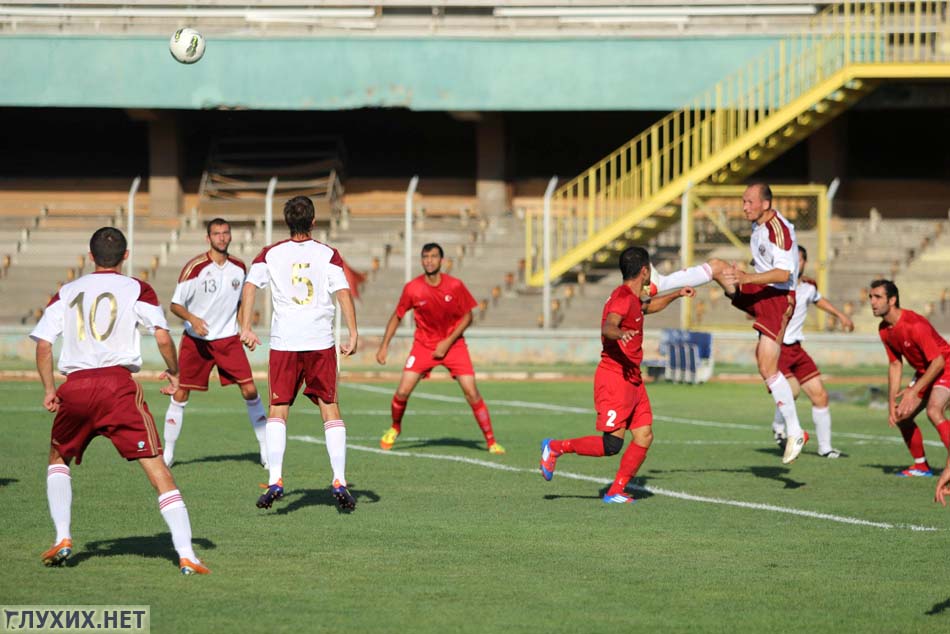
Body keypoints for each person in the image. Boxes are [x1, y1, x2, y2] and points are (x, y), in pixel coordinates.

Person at [30, 227, 209, 575]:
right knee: (157, 468)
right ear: (126, 256)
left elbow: (44, 344)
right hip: (117, 387)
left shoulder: (67, 291)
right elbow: (161, 336)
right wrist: (174, 372)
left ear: (90, 256)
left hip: (76, 387)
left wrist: (50, 389)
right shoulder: (138, 288)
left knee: (58, 457)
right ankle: (187, 554)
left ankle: (63, 536)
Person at [539, 246, 693, 504]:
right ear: (644, 271)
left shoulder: (633, 298)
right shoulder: (622, 298)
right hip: (614, 377)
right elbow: (608, 325)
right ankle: (554, 447)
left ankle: (615, 491)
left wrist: (677, 294)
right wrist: (620, 333)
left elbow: (647, 307)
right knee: (611, 445)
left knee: (644, 435)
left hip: (633, 378)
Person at [239, 196, 359, 510]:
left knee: (278, 409)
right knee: (330, 408)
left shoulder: (270, 253)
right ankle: (339, 479)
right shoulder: (328, 253)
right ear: (314, 221)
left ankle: (275, 479)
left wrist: (246, 327)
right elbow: (343, 293)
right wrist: (353, 332)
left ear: (286, 222)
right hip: (320, 340)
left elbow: (249, 287)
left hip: (285, 342)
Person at [375, 243, 505, 454]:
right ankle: (395, 427)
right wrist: (384, 346)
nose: (429, 260)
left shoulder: (455, 286)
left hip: (454, 346)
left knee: (472, 392)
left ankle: (491, 442)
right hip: (423, 346)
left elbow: (468, 316)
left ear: (441, 260)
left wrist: (447, 342)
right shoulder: (413, 288)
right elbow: (397, 316)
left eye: (434, 256)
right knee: (402, 391)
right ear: (421, 260)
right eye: (425, 256)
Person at [161, 218, 267, 468]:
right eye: (217, 233)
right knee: (181, 393)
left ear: (230, 236)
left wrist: (245, 330)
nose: (222, 237)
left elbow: (241, 304)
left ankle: (266, 451)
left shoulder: (239, 268)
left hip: (228, 340)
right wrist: (193, 319)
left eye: (225, 233)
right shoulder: (195, 268)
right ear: (208, 238)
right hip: (196, 342)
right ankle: (168, 454)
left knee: (250, 390)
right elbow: (175, 305)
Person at [720, 183, 807, 464]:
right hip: (763, 292)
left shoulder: (777, 229)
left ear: (766, 204)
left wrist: (746, 279)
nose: (744, 207)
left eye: (749, 202)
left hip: (778, 298)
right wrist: (744, 277)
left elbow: (783, 274)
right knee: (719, 268)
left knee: (767, 366)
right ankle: (664, 284)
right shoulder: (758, 227)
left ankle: (794, 431)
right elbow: (765, 265)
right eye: (743, 201)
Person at [770, 246, 854, 458]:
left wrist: (840, 316)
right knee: (792, 391)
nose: (795, 262)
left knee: (821, 396)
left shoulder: (809, 286)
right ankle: (778, 427)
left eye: (799, 259)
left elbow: (818, 299)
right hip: (777, 349)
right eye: (792, 258)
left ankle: (825, 448)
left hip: (797, 349)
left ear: (805, 263)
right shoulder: (776, 284)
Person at [870, 279, 950, 477]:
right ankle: (921, 467)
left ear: (892, 300)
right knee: (901, 416)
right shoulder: (884, 330)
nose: (872, 302)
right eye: (871, 297)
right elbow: (895, 365)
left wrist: (913, 390)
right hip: (926, 372)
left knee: (934, 410)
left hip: (945, 366)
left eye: (878, 297)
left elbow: (938, 362)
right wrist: (891, 403)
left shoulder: (914, 324)